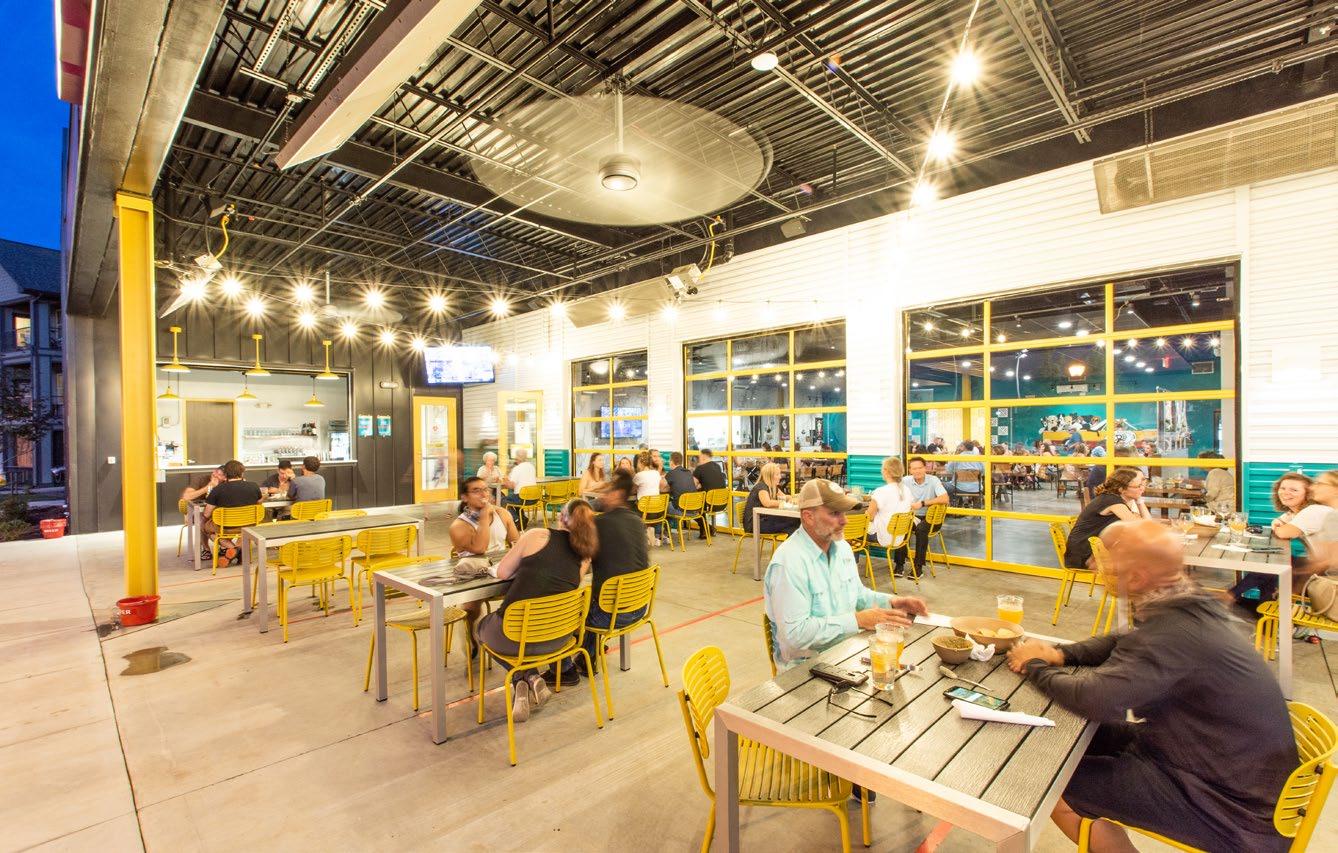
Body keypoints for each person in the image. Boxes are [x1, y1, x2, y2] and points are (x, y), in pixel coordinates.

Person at [1007, 520, 1296, 853]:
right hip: (1216, 763)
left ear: (1136, 577)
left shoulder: (1174, 633)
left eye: (1104, 560)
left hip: (1226, 806)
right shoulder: (1187, 605)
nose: (1092, 566)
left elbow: (1095, 699)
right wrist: (1061, 654)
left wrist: (1035, 666)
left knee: (1046, 780)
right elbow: (1124, 640)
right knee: (1070, 740)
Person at [764, 479, 928, 667]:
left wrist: (893, 602)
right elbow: (795, 636)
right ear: (808, 517)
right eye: (835, 513)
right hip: (804, 668)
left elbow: (857, 594)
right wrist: (857, 620)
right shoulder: (788, 563)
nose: (845, 520)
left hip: (844, 654)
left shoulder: (841, 547)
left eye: (843, 512)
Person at [473, 499, 597, 724]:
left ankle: (526, 676)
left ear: (561, 517)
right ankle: (528, 679)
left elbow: (502, 573)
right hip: (558, 640)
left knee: (481, 628)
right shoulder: (585, 556)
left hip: (514, 638)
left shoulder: (537, 535)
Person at [568, 470, 648, 680]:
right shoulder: (637, 521)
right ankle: (591, 648)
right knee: (599, 596)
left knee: (569, 608)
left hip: (610, 614)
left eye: (606, 492)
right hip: (640, 605)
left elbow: (580, 557)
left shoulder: (600, 524)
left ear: (617, 495)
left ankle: (571, 665)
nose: (602, 496)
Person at [1230, 472, 1334, 608]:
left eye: (1294, 490)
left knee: (1272, 564)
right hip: (1317, 568)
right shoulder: (1296, 512)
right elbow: (1278, 522)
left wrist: (1280, 527)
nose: (1286, 493)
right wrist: (1278, 523)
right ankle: (1263, 608)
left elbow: (1283, 532)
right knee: (1272, 567)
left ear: (1307, 493)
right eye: (1282, 488)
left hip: (1326, 576)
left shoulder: (1314, 511)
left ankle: (1232, 598)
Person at [1064, 468, 1151, 569]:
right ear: (1121, 489)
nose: (1142, 488)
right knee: (1144, 561)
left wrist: (1139, 499)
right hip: (1084, 557)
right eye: (1138, 486)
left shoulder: (1111, 498)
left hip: (1087, 552)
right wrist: (1139, 500)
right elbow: (1142, 528)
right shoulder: (1113, 502)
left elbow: (1146, 525)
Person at [203, 460, 261, 565]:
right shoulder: (254, 486)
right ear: (242, 473)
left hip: (225, 526)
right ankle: (239, 551)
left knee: (206, 528)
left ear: (225, 474)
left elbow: (206, 514)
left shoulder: (217, 489)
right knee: (241, 531)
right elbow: (258, 504)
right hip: (249, 526)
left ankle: (234, 549)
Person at [867, 456, 914, 576]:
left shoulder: (881, 491)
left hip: (883, 536)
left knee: (850, 534)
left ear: (886, 471)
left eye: (882, 469)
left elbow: (868, 517)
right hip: (899, 536)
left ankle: (852, 571)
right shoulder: (907, 490)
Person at [904, 457, 948, 578]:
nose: (917, 471)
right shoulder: (905, 481)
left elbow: (945, 498)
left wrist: (923, 503)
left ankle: (918, 567)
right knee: (902, 526)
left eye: (920, 468)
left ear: (925, 468)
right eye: (914, 469)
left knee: (921, 529)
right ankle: (899, 564)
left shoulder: (933, 480)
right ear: (910, 470)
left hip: (932, 519)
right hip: (913, 516)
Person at [742, 462, 799, 539]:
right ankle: (792, 544)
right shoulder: (761, 487)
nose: (780, 477)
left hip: (765, 519)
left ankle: (790, 544)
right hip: (755, 524)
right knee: (795, 521)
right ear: (769, 476)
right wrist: (782, 502)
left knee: (794, 525)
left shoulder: (773, 487)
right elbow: (767, 503)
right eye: (777, 474)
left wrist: (791, 499)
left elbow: (784, 497)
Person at [633, 452, 670, 547]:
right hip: (658, 511)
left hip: (644, 512)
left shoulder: (639, 475)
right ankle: (650, 530)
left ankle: (641, 536)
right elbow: (662, 486)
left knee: (629, 510)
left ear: (640, 463)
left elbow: (632, 490)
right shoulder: (656, 473)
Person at [692, 448, 727, 540]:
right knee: (700, 504)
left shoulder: (700, 468)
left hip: (709, 504)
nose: (698, 459)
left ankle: (706, 529)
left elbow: (693, 485)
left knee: (692, 507)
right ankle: (707, 529)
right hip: (722, 502)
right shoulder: (717, 466)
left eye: (699, 456)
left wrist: (699, 485)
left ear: (703, 456)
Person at [501, 448, 537, 521]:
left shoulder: (517, 468)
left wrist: (506, 478)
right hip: (534, 498)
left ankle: (516, 519)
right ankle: (522, 519)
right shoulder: (531, 466)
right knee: (514, 498)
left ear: (517, 458)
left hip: (523, 499)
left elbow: (511, 486)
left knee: (503, 500)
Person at [664, 451, 698, 525]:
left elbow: (662, 488)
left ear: (671, 462)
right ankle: (668, 529)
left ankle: (663, 530)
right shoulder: (688, 472)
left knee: (662, 506)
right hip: (694, 509)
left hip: (682, 511)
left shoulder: (671, 473)